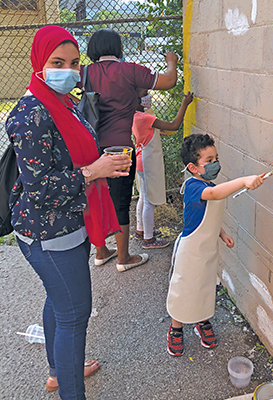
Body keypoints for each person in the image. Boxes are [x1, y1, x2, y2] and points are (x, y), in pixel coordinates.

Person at [6, 26, 133, 399]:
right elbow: (41, 189)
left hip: (70, 223)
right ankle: (69, 388)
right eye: (57, 62)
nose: (69, 70)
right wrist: (95, 171)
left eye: (75, 63)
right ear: (39, 64)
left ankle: (57, 371)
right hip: (48, 232)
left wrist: (99, 162)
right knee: (74, 315)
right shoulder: (30, 114)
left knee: (58, 302)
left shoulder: (61, 102)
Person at [80, 29, 178, 271]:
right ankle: (124, 258)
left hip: (92, 149)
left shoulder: (84, 73)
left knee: (96, 200)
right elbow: (168, 81)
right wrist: (171, 61)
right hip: (120, 147)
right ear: (119, 49)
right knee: (120, 202)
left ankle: (101, 252)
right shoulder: (131, 70)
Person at [166, 133, 265, 356]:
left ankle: (202, 322)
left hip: (208, 248)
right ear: (193, 167)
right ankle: (176, 328)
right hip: (190, 251)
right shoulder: (194, 186)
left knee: (205, 286)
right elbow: (212, 194)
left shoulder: (208, 183)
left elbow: (204, 216)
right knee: (184, 289)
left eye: (216, 158)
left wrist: (221, 234)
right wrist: (243, 180)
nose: (215, 164)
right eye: (209, 161)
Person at [132, 90, 194, 249]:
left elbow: (160, 131)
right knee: (149, 201)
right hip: (147, 162)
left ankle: (141, 231)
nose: (148, 96)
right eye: (144, 93)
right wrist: (185, 103)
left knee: (143, 198)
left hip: (140, 160)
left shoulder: (133, 115)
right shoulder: (145, 118)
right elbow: (174, 125)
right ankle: (149, 239)